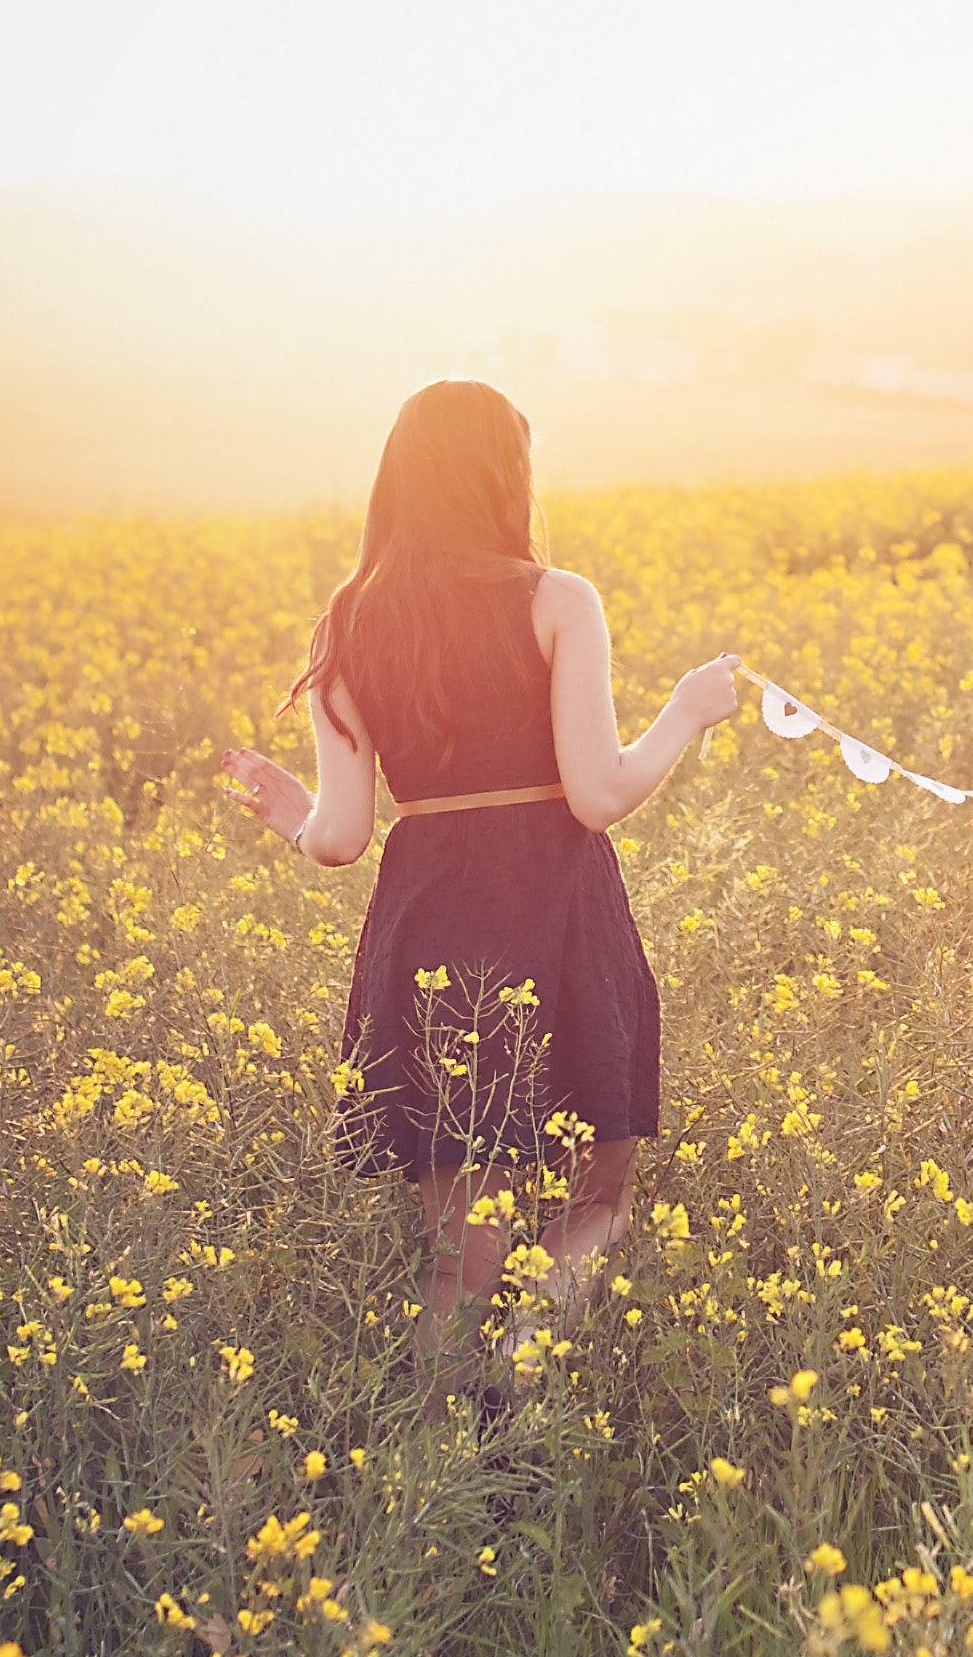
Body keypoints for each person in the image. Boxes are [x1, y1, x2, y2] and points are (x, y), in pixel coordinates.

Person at [218, 380, 741, 1366]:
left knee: (462, 1261)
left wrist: (291, 813)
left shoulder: (351, 620)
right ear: (506, 473)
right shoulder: (556, 599)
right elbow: (597, 792)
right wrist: (687, 709)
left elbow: (340, 838)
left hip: (429, 934)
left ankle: (433, 1473)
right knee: (595, 1206)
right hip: (558, 922)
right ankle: (525, 1387)